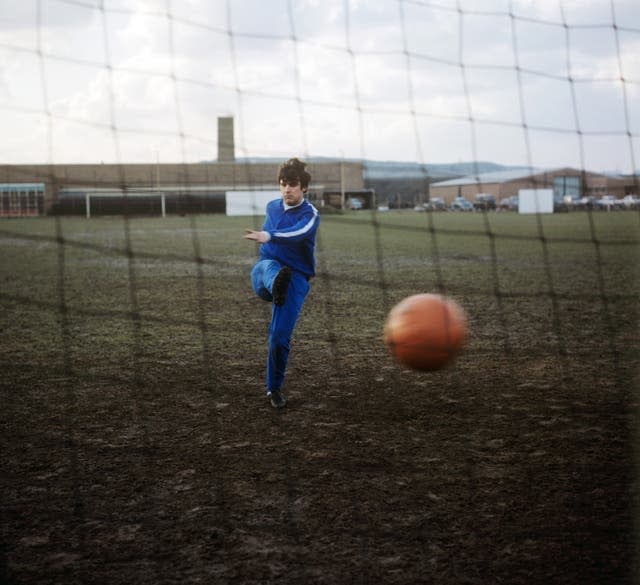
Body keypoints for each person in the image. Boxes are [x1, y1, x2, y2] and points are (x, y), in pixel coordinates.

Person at [244, 158, 320, 409]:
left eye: (293, 184)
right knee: (269, 267)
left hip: (295, 279)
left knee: (278, 337)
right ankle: (276, 280)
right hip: (263, 273)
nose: (287, 189)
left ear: (304, 188)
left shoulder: (310, 214)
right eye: (283, 184)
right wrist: (267, 240)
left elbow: (298, 233)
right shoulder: (272, 207)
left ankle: (273, 389)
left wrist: (269, 235)